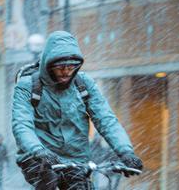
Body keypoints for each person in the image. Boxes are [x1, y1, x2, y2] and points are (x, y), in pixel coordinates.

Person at [12, 31, 142, 189]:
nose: (67, 72)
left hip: (76, 161)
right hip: (37, 157)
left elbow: (106, 120)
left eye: (72, 67)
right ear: (48, 65)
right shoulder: (28, 86)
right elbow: (22, 125)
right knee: (49, 180)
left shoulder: (84, 84)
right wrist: (38, 150)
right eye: (60, 67)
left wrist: (126, 152)